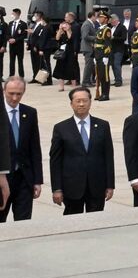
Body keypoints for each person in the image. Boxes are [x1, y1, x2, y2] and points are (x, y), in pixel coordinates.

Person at [49, 87, 114, 214]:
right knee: (73, 221)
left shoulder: (102, 126)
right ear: (71, 103)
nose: (81, 104)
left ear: (90, 102)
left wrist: (110, 185)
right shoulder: (61, 128)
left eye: (85, 100)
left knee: (96, 222)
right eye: (78, 101)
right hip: (72, 187)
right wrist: (56, 189)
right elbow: (55, 161)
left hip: (97, 185)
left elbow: (108, 157)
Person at [2, 76, 42, 221]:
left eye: (18, 94)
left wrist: (37, 180)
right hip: (3, 178)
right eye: (11, 93)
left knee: (24, 221)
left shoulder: (30, 113)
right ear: (4, 90)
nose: (14, 97)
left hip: (24, 178)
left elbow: (35, 148)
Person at [92, 9, 114, 101]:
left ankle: (106, 94)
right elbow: (96, 43)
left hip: (103, 55)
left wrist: (106, 56)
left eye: (101, 17)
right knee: (100, 75)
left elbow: (108, 44)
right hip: (98, 54)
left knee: (105, 76)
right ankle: (101, 93)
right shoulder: (99, 29)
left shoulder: (107, 29)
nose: (99, 19)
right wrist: (94, 55)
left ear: (106, 19)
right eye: (99, 17)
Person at [52, 16, 78, 91]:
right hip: (62, 52)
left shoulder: (71, 31)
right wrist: (60, 29)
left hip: (69, 52)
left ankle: (74, 85)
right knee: (60, 68)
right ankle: (61, 86)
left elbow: (70, 38)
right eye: (63, 25)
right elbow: (57, 38)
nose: (64, 26)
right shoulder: (61, 32)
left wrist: (67, 30)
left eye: (66, 25)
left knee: (71, 69)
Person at [27, 12, 51, 84]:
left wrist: (37, 47)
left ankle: (42, 78)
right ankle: (35, 77)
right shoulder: (34, 24)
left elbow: (40, 37)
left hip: (38, 47)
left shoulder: (43, 26)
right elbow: (31, 36)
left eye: (35, 16)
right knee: (34, 63)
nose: (34, 17)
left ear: (40, 17)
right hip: (33, 46)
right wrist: (29, 44)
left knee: (40, 63)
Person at [110, 8, 130, 87]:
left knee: (117, 64)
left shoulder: (122, 27)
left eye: (111, 21)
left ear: (115, 20)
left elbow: (123, 38)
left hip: (119, 49)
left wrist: (113, 37)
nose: (111, 23)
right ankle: (116, 79)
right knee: (113, 65)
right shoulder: (112, 28)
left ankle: (119, 80)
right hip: (112, 49)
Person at [7, 8, 28, 80]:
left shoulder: (23, 24)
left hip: (19, 46)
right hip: (11, 45)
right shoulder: (10, 23)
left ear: (18, 14)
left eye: (13, 14)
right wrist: (9, 39)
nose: (12, 15)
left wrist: (15, 40)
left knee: (20, 61)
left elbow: (24, 35)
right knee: (11, 61)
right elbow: (8, 34)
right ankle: (11, 75)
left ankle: (21, 76)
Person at [79, 9, 97, 86]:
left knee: (91, 65)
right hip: (87, 47)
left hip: (90, 47)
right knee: (88, 65)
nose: (97, 19)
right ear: (92, 16)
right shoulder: (87, 24)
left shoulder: (91, 24)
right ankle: (85, 81)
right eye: (96, 17)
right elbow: (85, 36)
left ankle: (89, 80)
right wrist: (96, 38)